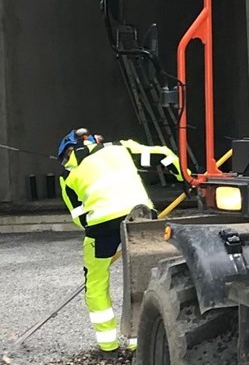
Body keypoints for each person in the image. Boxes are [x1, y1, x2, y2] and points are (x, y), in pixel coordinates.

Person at [57, 128, 184, 352]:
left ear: (67, 154)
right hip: (140, 215)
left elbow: (79, 217)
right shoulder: (121, 147)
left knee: (96, 282)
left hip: (100, 226)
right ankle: (141, 342)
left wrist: (100, 233)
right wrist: (186, 178)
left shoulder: (67, 176)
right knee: (146, 274)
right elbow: (164, 155)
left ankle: (108, 345)